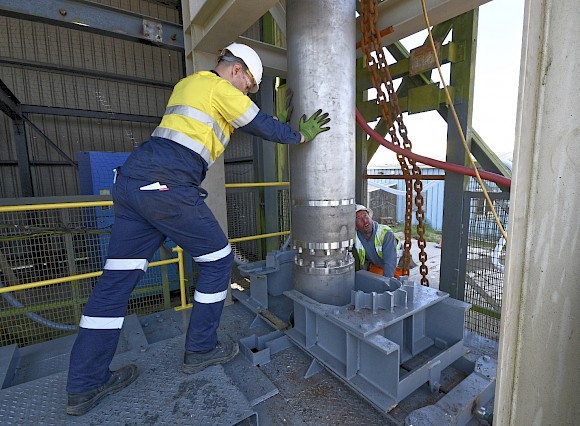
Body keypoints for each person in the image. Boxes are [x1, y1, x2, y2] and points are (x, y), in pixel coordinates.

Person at [65, 42, 331, 416]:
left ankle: (84, 384)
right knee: (219, 261)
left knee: (115, 283)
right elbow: (261, 124)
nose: (246, 93)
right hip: (166, 184)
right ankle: (201, 349)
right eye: (248, 85)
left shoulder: (189, 86)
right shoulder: (217, 86)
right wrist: (299, 135)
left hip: (134, 181)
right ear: (236, 71)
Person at [353, 204, 401, 278]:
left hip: (398, 266)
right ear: (355, 226)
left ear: (370, 217)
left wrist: (387, 283)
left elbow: (390, 263)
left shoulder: (385, 233)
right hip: (378, 266)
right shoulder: (355, 238)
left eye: (365, 216)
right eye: (358, 218)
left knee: (398, 285)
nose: (365, 221)